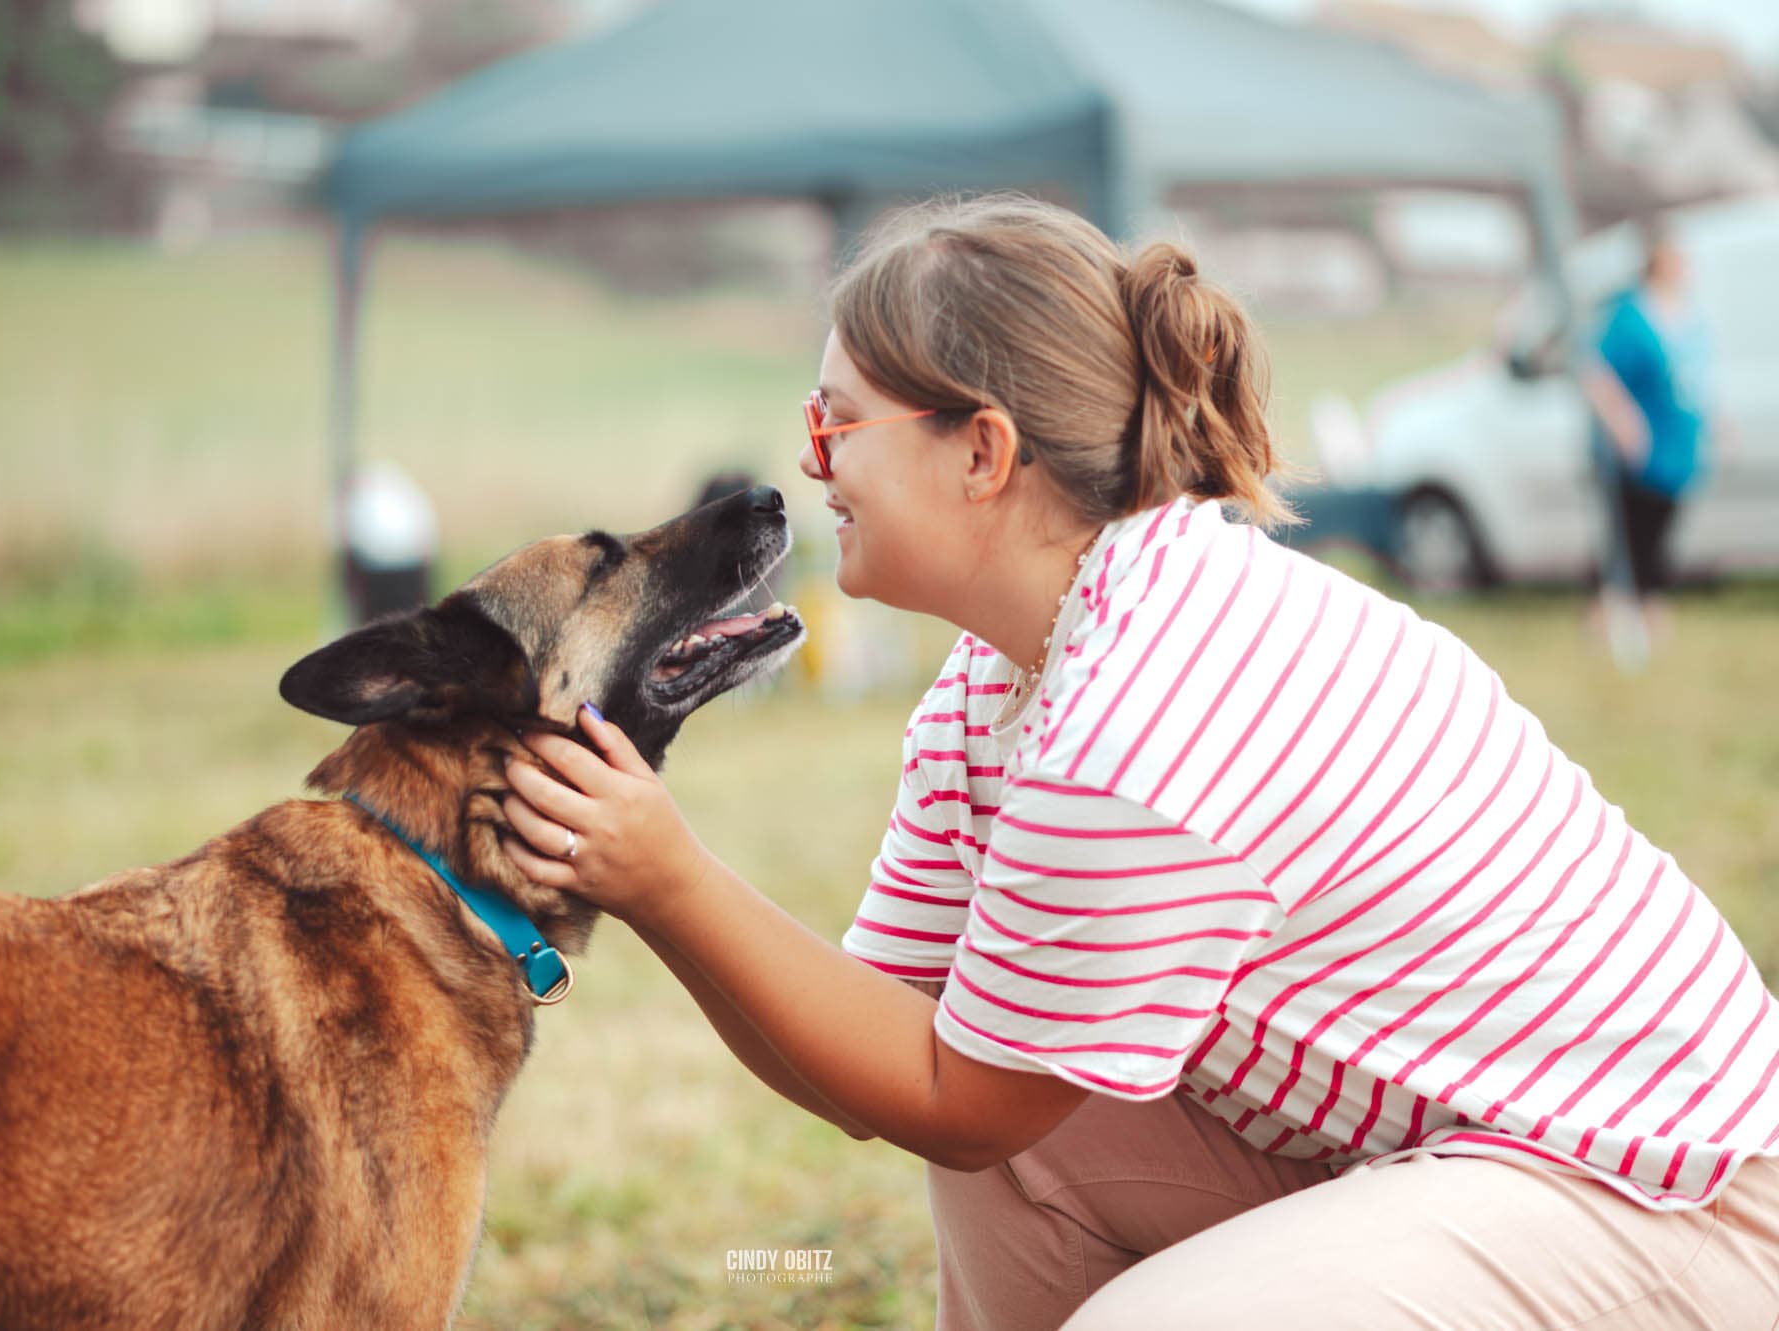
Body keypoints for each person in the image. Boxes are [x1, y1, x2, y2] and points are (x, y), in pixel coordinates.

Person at [498, 192, 1779, 1329]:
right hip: (1459, 1145)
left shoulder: (1139, 716)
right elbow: (872, 1061)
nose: (808, 461)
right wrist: (649, 880)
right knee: (1016, 1128)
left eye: (837, 425)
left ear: (982, 451)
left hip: (1670, 1189)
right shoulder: (1004, 673)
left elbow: (958, 1099)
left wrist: (668, 876)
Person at [1581, 227, 1714, 644]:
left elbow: (1697, 376)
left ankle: (1645, 614)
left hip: (1678, 446)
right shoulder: (1630, 315)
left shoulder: (1686, 312)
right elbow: (1596, 372)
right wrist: (1623, 421)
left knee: (1659, 533)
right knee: (1630, 535)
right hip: (1639, 448)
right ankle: (1616, 618)